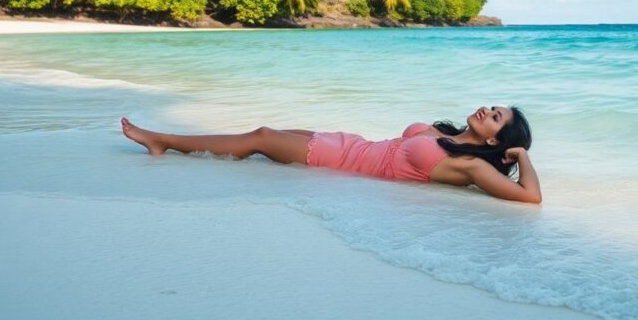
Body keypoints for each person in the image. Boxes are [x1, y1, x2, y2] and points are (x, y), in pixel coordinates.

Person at [121, 105, 541, 204]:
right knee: (267, 131)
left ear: (495, 142)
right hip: (346, 142)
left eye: (496, 117)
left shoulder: (467, 166)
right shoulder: (449, 137)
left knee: (262, 136)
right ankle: (171, 141)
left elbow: (530, 198)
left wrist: (521, 156)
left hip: (336, 161)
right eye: (492, 106)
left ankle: (164, 140)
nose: (488, 109)